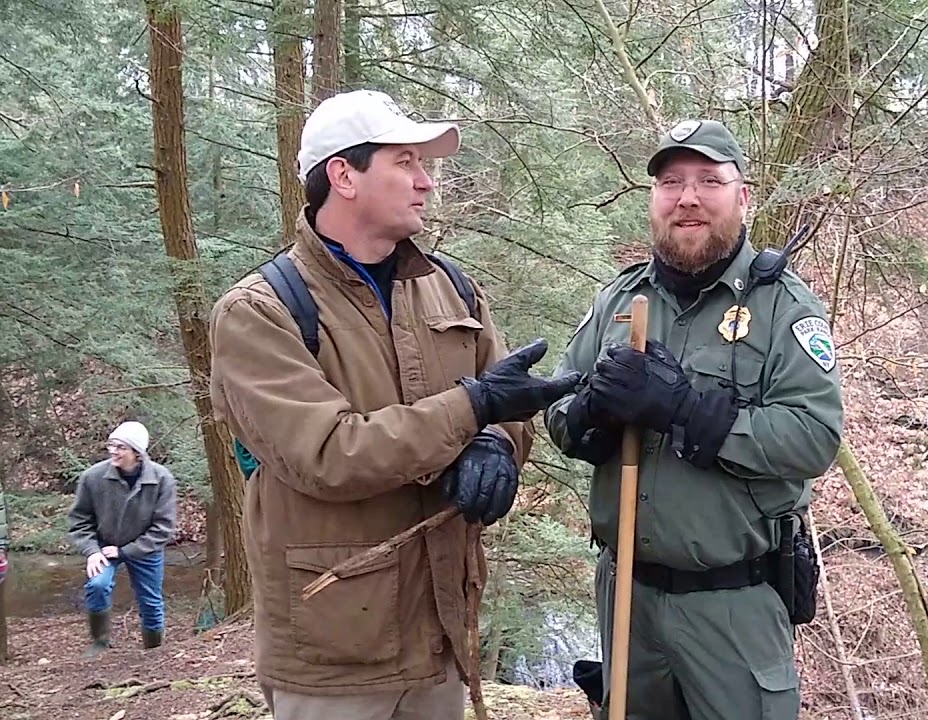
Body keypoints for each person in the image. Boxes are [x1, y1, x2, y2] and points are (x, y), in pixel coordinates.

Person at [207, 89, 581, 720]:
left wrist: (497, 441)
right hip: (335, 657)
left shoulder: (452, 288)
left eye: (424, 165)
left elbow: (507, 402)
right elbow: (327, 454)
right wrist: (474, 411)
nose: (425, 183)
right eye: (405, 162)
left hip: (442, 633)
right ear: (342, 175)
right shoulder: (257, 313)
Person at [544, 119, 844, 720]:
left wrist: (685, 409)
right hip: (626, 595)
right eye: (671, 182)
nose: (688, 197)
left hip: (732, 603)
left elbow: (813, 437)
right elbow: (560, 412)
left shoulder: (783, 305)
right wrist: (592, 411)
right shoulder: (620, 301)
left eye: (710, 180)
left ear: (743, 197)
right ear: (654, 200)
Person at [67, 420, 178, 656]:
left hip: (145, 548)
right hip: (104, 546)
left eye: (120, 447)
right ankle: (99, 641)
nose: (113, 452)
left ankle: (154, 648)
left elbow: (163, 527)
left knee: (150, 601)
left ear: (137, 453)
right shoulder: (92, 477)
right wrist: (92, 551)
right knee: (97, 585)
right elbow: (79, 521)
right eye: (111, 445)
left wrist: (126, 550)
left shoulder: (162, 479)